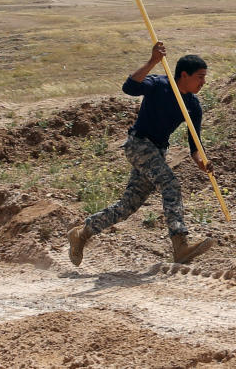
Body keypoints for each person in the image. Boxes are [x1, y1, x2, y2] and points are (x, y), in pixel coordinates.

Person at [67, 42, 217, 266]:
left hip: (157, 151)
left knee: (128, 206)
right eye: (200, 77)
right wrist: (152, 61)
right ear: (184, 75)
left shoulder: (193, 105)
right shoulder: (159, 84)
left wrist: (202, 162)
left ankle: (82, 233)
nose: (203, 82)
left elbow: (195, 145)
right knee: (170, 184)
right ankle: (180, 245)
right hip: (138, 145)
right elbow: (129, 87)